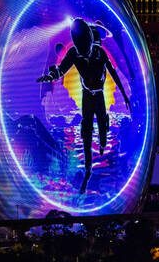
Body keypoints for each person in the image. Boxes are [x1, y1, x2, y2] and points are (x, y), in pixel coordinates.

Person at [37, 18, 132, 194]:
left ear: (90, 40)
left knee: (103, 129)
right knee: (86, 133)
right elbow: (61, 69)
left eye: (86, 47)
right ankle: (88, 170)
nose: (84, 51)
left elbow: (113, 72)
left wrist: (125, 95)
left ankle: (103, 143)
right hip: (87, 97)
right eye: (81, 48)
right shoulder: (74, 53)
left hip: (99, 96)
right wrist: (51, 76)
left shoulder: (100, 53)